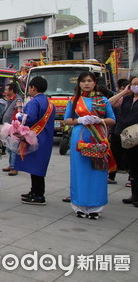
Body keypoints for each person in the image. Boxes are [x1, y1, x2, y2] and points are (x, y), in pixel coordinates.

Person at [64, 71, 116, 220]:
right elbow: (67, 120)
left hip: (98, 137)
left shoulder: (103, 100)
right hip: (79, 138)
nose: (86, 83)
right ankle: (79, 205)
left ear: (94, 83)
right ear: (79, 83)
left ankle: (95, 207)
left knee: (97, 172)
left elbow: (112, 119)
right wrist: (80, 120)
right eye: (83, 81)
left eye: (89, 81)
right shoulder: (74, 100)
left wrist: (100, 121)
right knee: (79, 172)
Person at [15, 76, 55, 205]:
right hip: (46, 138)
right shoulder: (49, 103)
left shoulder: (34, 102)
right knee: (39, 166)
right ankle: (34, 191)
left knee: (35, 167)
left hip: (35, 138)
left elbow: (30, 119)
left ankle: (38, 195)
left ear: (33, 88)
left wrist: (19, 116)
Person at [108, 75, 138, 207]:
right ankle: (134, 195)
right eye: (134, 84)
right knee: (132, 166)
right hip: (127, 137)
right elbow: (108, 103)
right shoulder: (126, 99)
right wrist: (124, 92)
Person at [108, 78, 130, 183]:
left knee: (131, 157)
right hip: (118, 131)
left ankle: (131, 179)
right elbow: (109, 103)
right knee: (114, 155)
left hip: (133, 133)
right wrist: (123, 93)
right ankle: (111, 176)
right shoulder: (121, 100)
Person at [0, 83, 23, 176]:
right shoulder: (10, 100)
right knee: (9, 147)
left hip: (14, 127)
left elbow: (20, 112)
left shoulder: (18, 100)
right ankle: (11, 165)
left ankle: (14, 167)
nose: (5, 91)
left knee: (14, 148)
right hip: (8, 127)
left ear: (11, 91)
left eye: (6, 90)